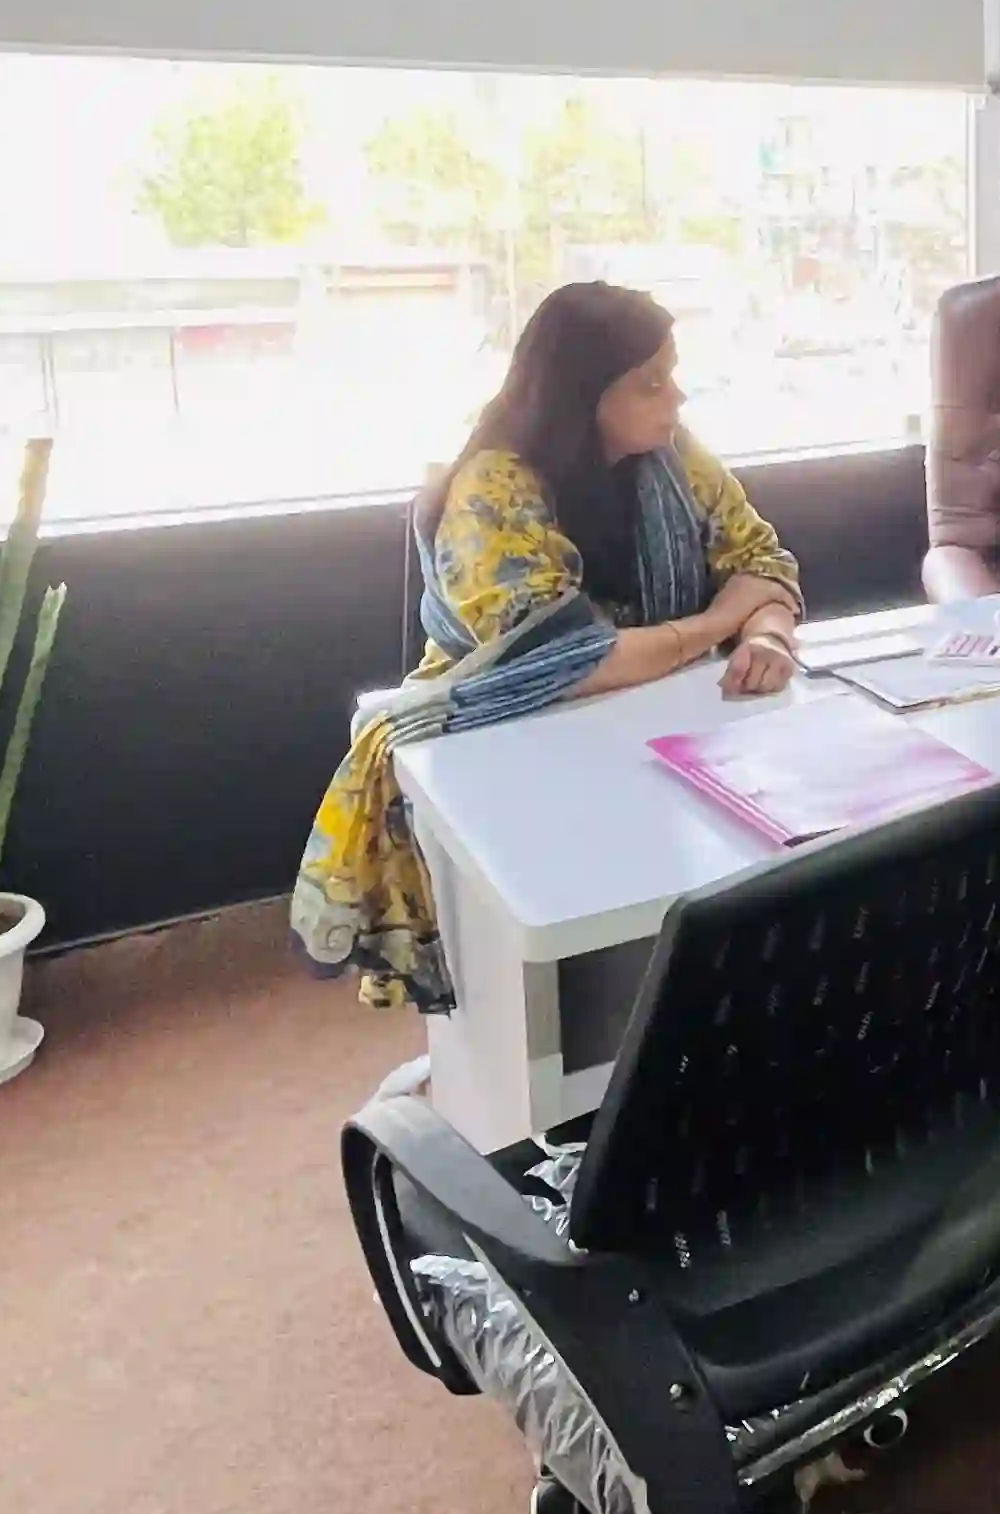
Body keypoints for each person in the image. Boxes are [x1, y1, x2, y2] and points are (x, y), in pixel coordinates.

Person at [292, 282, 804, 1010]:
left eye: (672, 374)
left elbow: (761, 560)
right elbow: (567, 662)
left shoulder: (671, 454)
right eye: (651, 383)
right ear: (582, 396)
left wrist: (768, 634)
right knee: (551, 944)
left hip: (656, 714)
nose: (677, 397)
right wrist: (720, 622)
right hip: (500, 729)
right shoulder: (491, 489)